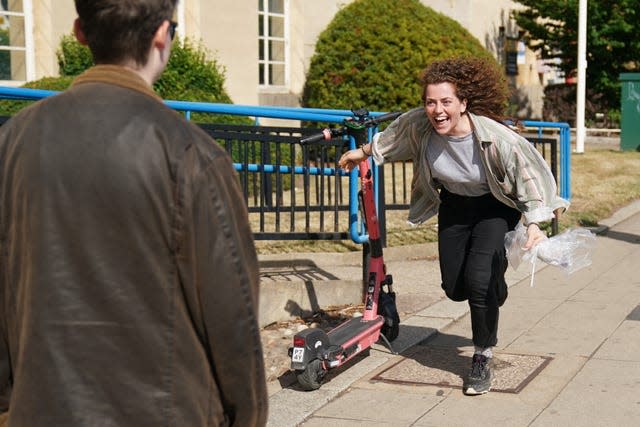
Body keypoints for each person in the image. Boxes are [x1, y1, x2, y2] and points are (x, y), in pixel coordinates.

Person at [0, 0, 267, 425]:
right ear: (162, 34)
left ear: (80, 33)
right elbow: (232, 319)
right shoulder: (192, 153)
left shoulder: (13, 139)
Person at [339, 56, 569, 395]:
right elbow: (393, 137)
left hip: (494, 206)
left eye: (447, 101)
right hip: (455, 206)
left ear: (463, 103)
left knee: (478, 281)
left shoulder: (497, 138)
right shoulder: (420, 123)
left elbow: (530, 178)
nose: (438, 110)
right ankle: (494, 284)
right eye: (431, 102)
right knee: (454, 287)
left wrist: (534, 223)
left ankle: (481, 355)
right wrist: (362, 152)